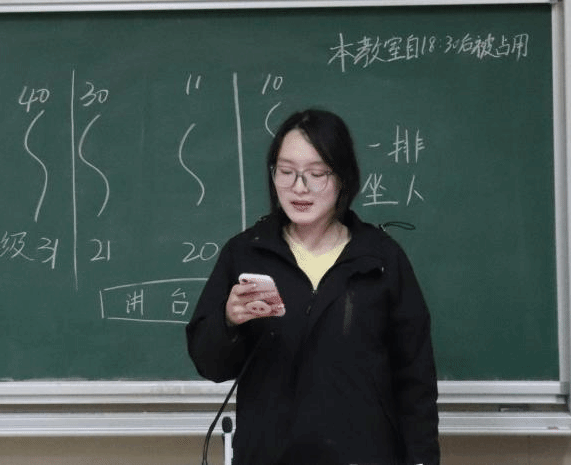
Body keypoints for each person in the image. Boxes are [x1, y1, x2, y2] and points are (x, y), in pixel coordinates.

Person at [186, 108, 439, 465]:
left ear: (343, 177)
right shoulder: (246, 254)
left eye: (316, 174)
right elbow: (209, 365)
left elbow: (415, 381)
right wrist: (227, 322)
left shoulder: (380, 259)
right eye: (286, 172)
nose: (299, 187)